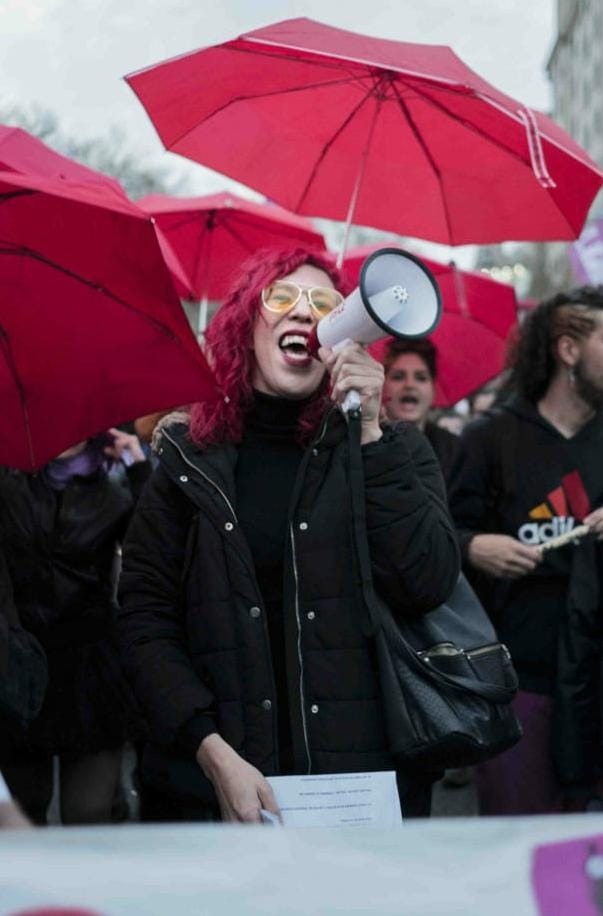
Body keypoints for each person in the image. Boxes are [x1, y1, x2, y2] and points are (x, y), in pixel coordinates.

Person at [118, 247, 461, 823]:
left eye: (323, 303)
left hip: (356, 792)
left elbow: (425, 581)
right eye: (281, 298)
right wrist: (211, 752)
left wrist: (371, 433)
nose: (304, 313)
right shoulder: (189, 458)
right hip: (211, 787)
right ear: (246, 325)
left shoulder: (392, 447)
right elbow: (143, 619)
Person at [449, 286, 603, 815]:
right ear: (568, 350)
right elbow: (431, 543)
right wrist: (472, 546)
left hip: (596, 678)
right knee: (522, 849)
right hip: (521, 683)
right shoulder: (488, 439)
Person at [0, 428, 150, 825]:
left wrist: (139, 469)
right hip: (20, 667)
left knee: (90, 816)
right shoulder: (10, 479)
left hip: (90, 671)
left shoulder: (116, 487)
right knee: (22, 811)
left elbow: (154, 547)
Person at [380, 337, 464, 489]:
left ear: (433, 389)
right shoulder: (364, 445)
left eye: (421, 378)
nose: (409, 385)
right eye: (398, 377)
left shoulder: (455, 452)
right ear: (382, 386)